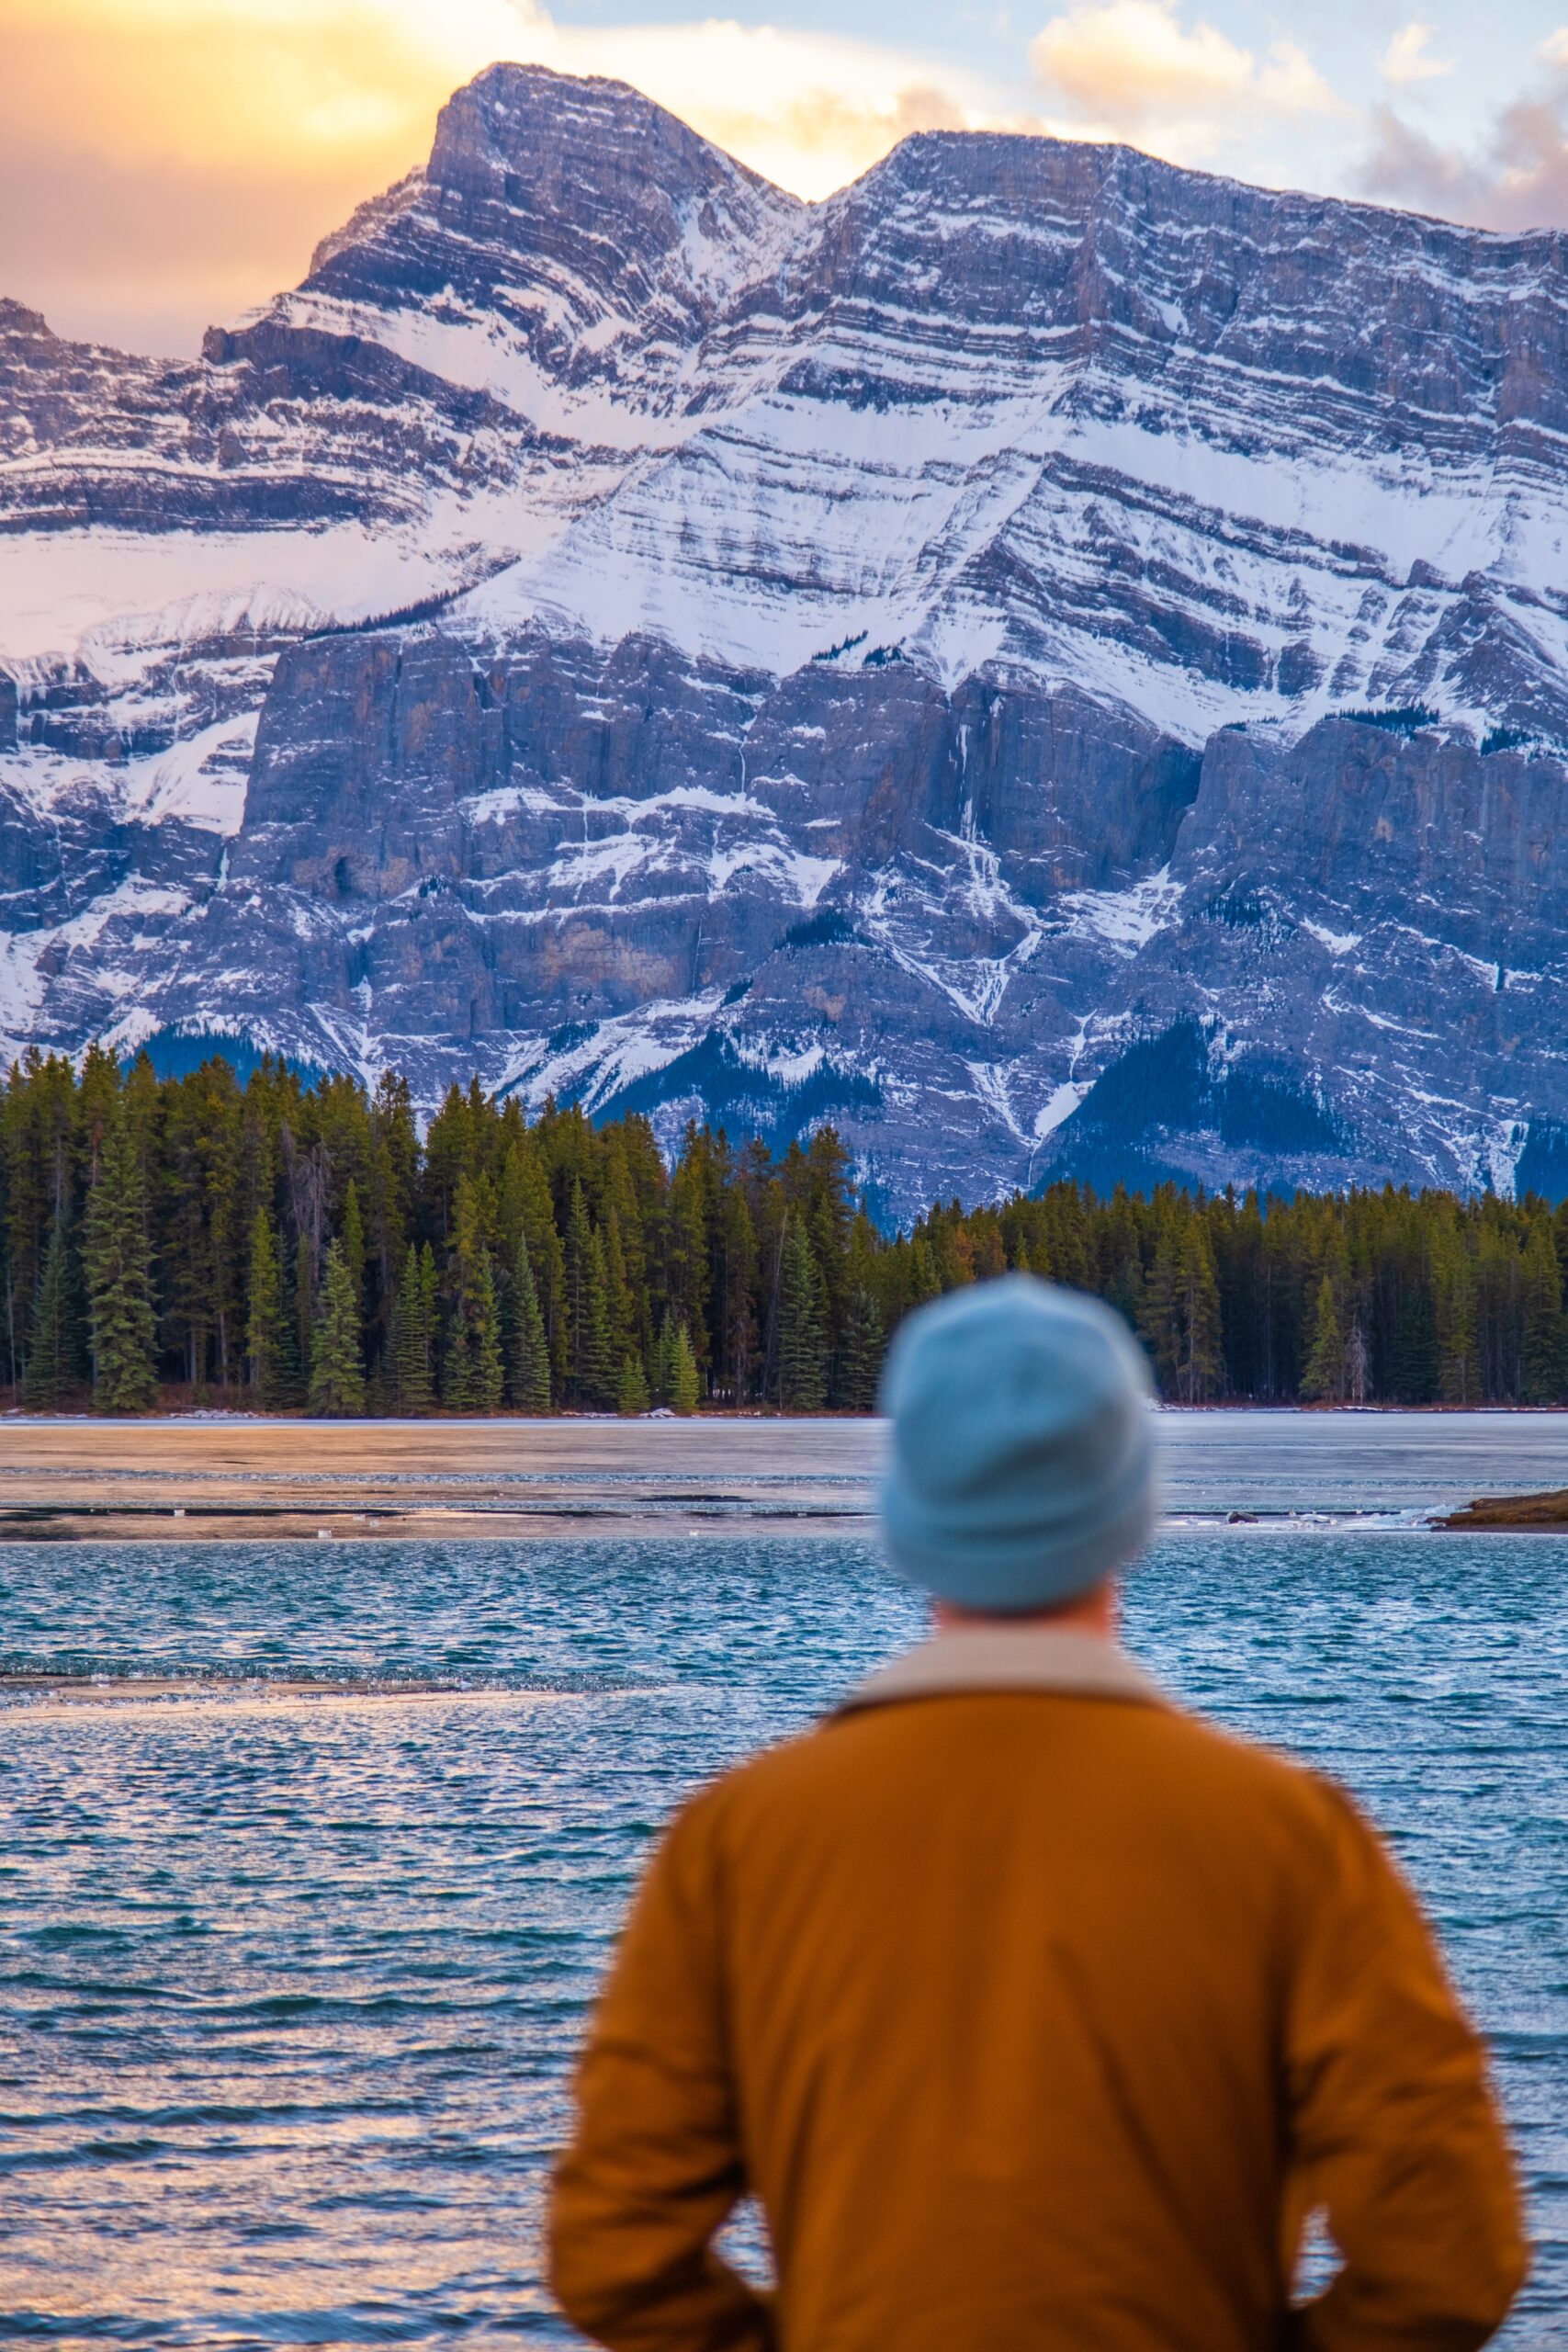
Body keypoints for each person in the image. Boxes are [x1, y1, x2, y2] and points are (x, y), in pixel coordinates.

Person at [548, 1275, 1528, 2351]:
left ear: (907, 1517)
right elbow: (1452, 2261)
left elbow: (613, 2252)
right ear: (1133, 1513)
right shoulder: (1288, 1837)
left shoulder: (736, 1840)